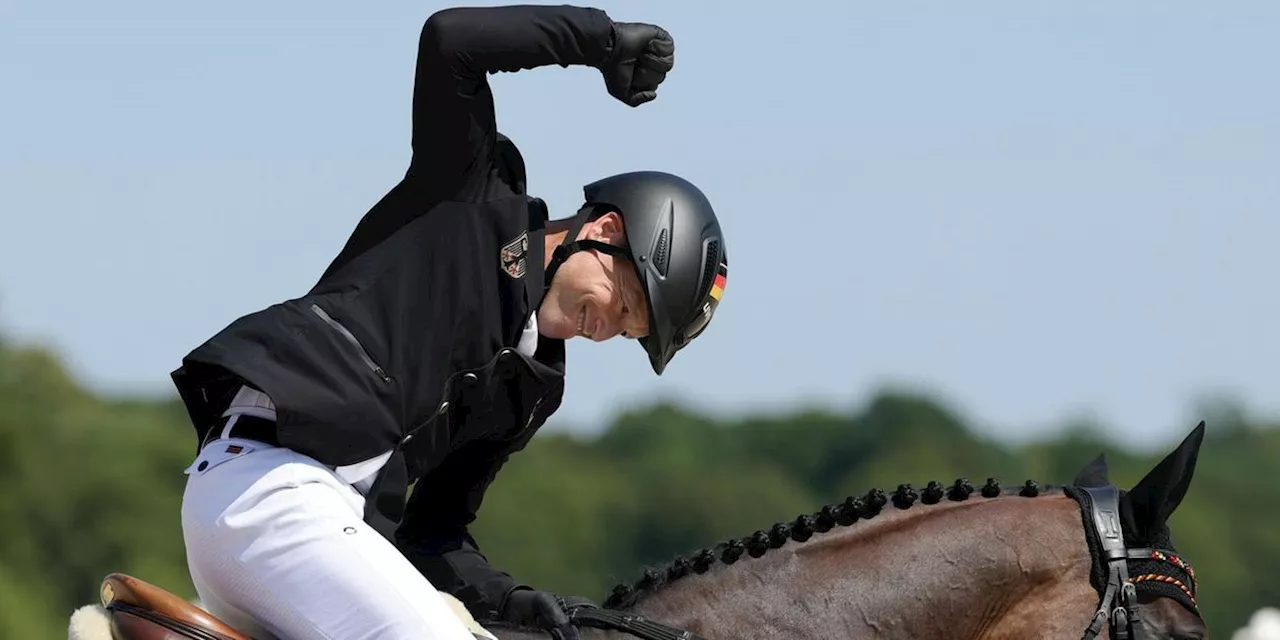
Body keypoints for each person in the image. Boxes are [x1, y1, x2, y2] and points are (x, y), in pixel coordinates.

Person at [169, 4, 729, 640]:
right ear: (604, 230)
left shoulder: (531, 387)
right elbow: (450, 41)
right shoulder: (468, 190)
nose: (605, 329)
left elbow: (432, 532)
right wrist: (598, 41)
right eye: (623, 305)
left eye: (625, 334)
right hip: (272, 487)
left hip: (327, 526)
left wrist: (510, 597)